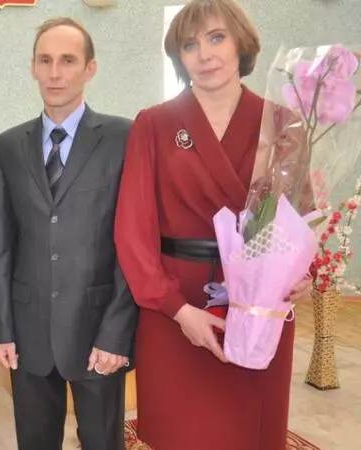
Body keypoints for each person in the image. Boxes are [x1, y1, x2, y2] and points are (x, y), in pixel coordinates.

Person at [114, 1, 312, 449]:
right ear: (178, 57)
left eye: (216, 38)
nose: (204, 54)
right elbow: (133, 232)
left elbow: (302, 219)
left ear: (241, 42)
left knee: (248, 433)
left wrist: (304, 275)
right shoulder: (154, 123)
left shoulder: (285, 124)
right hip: (174, 304)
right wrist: (177, 310)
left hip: (259, 305)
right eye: (189, 45)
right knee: (180, 432)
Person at [0, 18, 137, 450]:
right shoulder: (7, 146)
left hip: (97, 330)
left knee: (102, 441)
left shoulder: (124, 138)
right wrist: (3, 328)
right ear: (33, 67)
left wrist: (116, 332)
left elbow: (133, 245)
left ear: (90, 68)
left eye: (68, 61)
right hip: (28, 333)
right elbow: (1, 246)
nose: (55, 73)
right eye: (45, 60)